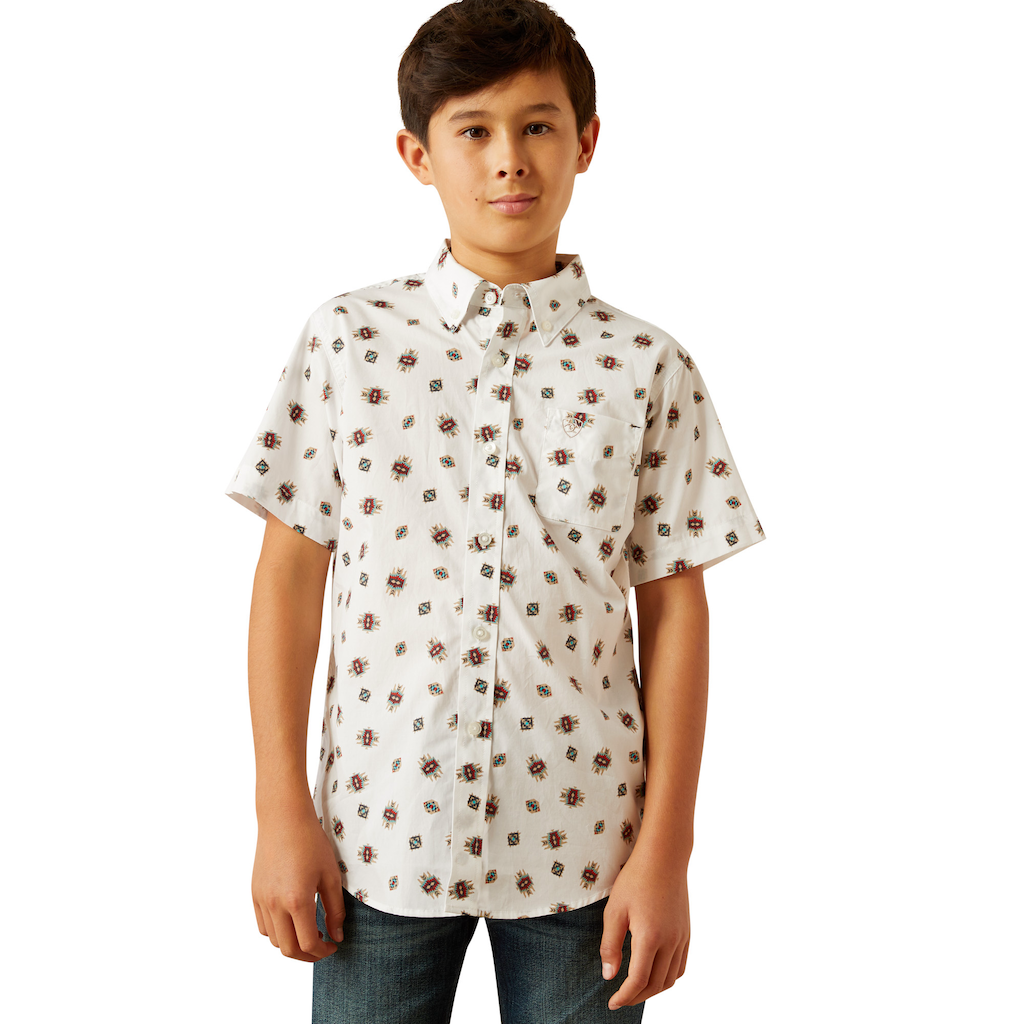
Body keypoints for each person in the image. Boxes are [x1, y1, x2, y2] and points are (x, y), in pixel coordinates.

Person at [223, 1, 765, 1020]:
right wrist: (278, 808)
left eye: (537, 125)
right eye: (472, 130)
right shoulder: (346, 342)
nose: (508, 158)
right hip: (379, 833)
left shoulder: (648, 366)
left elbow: (675, 611)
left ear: (586, 142)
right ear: (417, 155)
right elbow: (289, 578)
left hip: (588, 842)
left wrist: (667, 852)